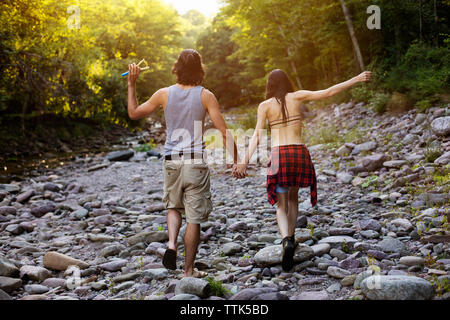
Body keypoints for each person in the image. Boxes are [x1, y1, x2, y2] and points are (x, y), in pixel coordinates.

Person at [234, 69, 372, 271]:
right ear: (287, 82)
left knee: (281, 205)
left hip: (279, 155)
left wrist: (244, 161)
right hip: (298, 152)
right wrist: (357, 78)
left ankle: (285, 240)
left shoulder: (264, 105)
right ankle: (292, 237)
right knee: (293, 199)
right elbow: (328, 92)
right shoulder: (297, 96)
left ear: (269, 85)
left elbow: (257, 136)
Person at [127, 49, 244, 278]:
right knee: (194, 218)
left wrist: (132, 84)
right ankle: (188, 272)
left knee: (173, 207)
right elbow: (223, 131)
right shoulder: (205, 95)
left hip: (171, 160)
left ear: (176, 69)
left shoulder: (164, 94)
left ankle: (171, 244)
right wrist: (237, 160)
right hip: (195, 162)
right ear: (200, 70)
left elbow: (133, 113)